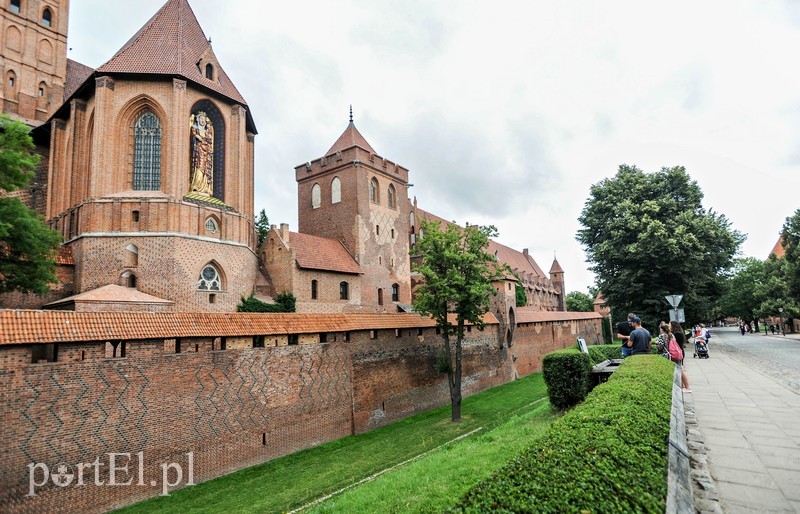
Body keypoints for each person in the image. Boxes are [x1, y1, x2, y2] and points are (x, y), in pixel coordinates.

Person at [670, 320, 691, 392]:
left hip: (678, 352)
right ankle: (683, 386)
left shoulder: (677, 334)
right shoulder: (679, 333)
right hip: (680, 352)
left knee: (681, 369)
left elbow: (676, 345)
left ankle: (687, 387)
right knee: (681, 369)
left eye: (670, 325)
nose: (669, 326)